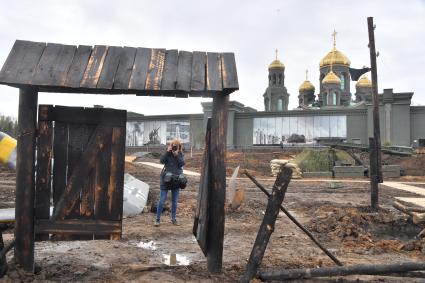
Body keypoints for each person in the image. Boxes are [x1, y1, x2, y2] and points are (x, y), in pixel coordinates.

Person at [155, 138, 185, 226]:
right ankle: (157, 219)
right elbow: (161, 161)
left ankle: (173, 219)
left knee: (175, 201)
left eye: (177, 146)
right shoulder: (167, 153)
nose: (175, 148)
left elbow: (182, 163)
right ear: (171, 146)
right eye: (173, 146)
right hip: (166, 180)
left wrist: (176, 155)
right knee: (162, 200)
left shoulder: (180, 154)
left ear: (179, 147)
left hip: (176, 180)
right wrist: (168, 152)